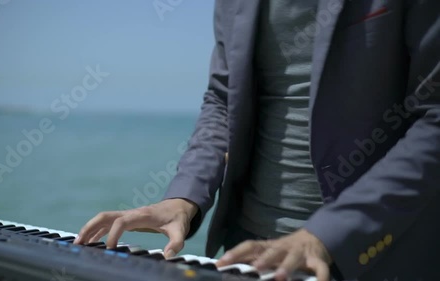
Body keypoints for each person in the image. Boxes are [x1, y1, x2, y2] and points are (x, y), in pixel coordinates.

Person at [74, 1, 440, 280]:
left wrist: (328, 233)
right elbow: (223, 97)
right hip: (248, 253)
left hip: (374, 257)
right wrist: (185, 196)